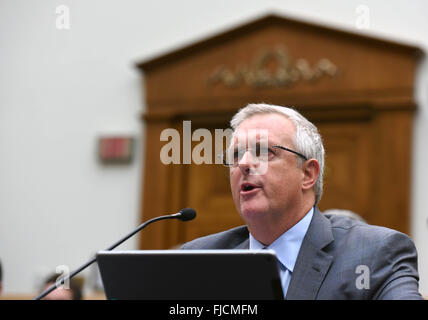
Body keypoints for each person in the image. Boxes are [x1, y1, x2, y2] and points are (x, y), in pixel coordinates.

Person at [181, 103, 423, 300]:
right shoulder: (198, 259)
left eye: (264, 151)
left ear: (307, 174)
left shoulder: (375, 253)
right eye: (235, 154)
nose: (243, 163)